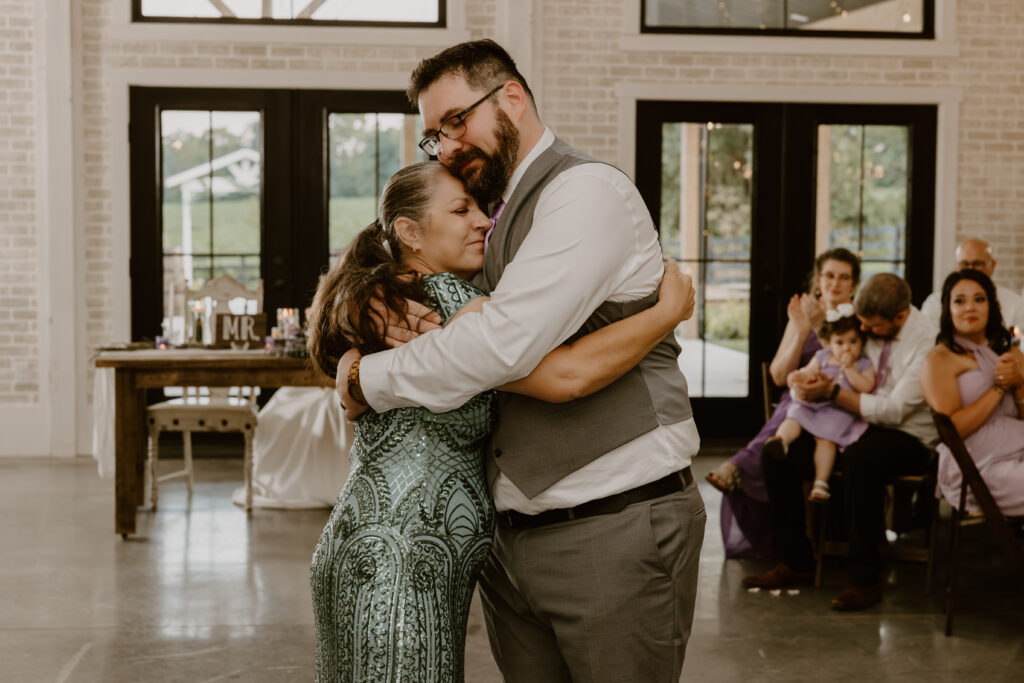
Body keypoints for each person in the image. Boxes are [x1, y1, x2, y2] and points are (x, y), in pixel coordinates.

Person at [337, 40, 705, 682]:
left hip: (613, 522)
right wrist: (354, 363)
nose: (447, 145)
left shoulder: (584, 192)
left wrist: (366, 379)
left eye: (456, 121)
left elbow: (502, 347)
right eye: (433, 136)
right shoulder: (487, 222)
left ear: (512, 96)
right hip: (510, 543)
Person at [743, 273, 938, 611]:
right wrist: (808, 383)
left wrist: (834, 392)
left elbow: (892, 411)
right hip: (853, 420)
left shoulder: (926, 342)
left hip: (908, 435)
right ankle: (797, 561)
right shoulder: (866, 322)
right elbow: (831, 358)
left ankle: (864, 578)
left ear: (900, 317)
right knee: (778, 455)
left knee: (863, 459)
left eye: (872, 327)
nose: (863, 330)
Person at [706, 248, 860, 558]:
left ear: (854, 284)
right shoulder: (804, 314)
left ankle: (739, 464)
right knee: (792, 406)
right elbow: (778, 375)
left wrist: (818, 328)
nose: (835, 284)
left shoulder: (857, 318)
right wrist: (803, 330)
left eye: (844, 277)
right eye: (829, 276)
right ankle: (789, 546)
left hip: (839, 406)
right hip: (799, 401)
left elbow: (851, 363)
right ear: (818, 279)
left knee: (794, 409)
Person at [920, 269, 1024, 516]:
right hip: (976, 467)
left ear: (991, 306)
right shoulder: (939, 360)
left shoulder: (1010, 353)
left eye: (979, 299)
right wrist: (998, 388)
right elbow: (953, 430)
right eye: (960, 301)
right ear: (948, 309)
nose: (970, 308)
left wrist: (1019, 383)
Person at [763, 307, 876, 502]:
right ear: (830, 343)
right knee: (795, 413)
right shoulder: (823, 356)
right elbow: (807, 371)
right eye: (839, 343)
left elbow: (866, 387)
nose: (846, 348)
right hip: (814, 405)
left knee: (826, 440)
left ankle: (820, 483)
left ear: (862, 342)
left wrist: (849, 368)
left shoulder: (863, 364)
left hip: (839, 411)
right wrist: (797, 376)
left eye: (853, 342)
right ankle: (781, 440)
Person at [920, 238, 1024, 331]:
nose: (970, 270)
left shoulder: (1015, 304)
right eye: (964, 264)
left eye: (977, 264)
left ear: (992, 265)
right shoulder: (934, 304)